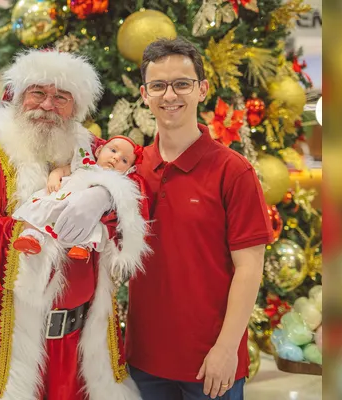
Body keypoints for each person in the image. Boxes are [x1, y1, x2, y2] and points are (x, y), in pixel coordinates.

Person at [0, 49, 150, 400]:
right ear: (17, 96)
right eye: (38, 92)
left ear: (76, 108)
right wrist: (48, 235)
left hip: (80, 347)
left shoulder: (91, 148)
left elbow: (136, 188)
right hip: (8, 344)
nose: (47, 105)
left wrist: (107, 195)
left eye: (61, 97)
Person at [126, 37, 274, 400]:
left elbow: (250, 268)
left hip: (210, 364)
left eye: (182, 84)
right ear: (145, 94)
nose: (170, 95)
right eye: (158, 86)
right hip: (143, 361)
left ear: (202, 89)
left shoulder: (233, 171)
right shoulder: (131, 168)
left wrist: (226, 349)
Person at [12, 135, 144, 261]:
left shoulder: (114, 186)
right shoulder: (84, 164)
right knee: (39, 207)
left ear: (128, 171)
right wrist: (54, 177)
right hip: (61, 197)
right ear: (98, 151)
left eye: (124, 160)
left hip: (84, 216)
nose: (116, 158)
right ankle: (31, 235)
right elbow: (63, 170)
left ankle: (82, 246)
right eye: (113, 150)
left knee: (96, 226)